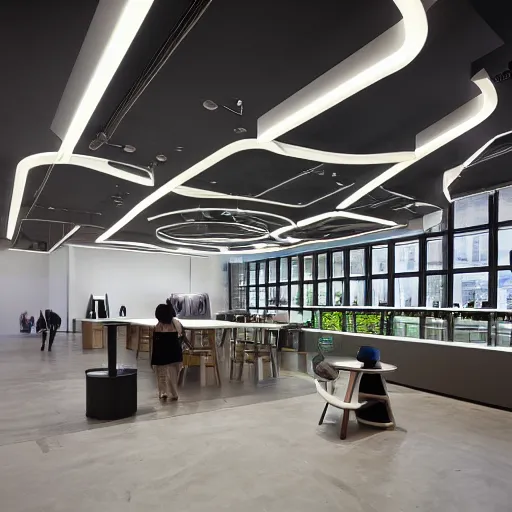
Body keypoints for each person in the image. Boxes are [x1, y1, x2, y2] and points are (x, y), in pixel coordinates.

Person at [151, 303, 184, 400]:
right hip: (174, 354)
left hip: (161, 354)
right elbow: (180, 331)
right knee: (173, 374)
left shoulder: (158, 326)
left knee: (162, 374)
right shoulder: (175, 323)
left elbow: (155, 342)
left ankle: (163, 392)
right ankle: (173, 393)